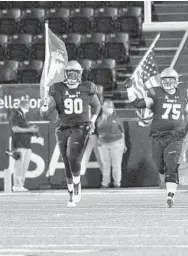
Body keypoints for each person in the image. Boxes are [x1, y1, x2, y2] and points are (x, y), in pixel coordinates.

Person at [126, 67, 188, 208]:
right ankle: (166, 183)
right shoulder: (155, 93)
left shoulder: (184, 94)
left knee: (172, 166)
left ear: (177, 80)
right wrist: (130, 89)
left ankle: (170, 195)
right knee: (159, 166)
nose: (168, 82)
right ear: (161, 81)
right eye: (165, 79)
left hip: (175, 135)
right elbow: (137, 104)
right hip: (157, 135)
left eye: (171, 79)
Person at [40, 60, 101, 207]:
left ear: (80, 74)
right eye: (69, 72)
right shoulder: (57, 88)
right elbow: (45, 114)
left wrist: (92, 120)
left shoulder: (87, 87)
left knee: (72, 156)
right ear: (65, 73)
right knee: (67, 162)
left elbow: (97, 104)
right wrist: (44, 107)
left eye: (75, 72)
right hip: (63, 128)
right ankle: (70, 193)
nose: (72, 75)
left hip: (81, 127)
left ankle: (77, 184)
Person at [8, 100, 39, 192]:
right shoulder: (15, 115)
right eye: (27, 108)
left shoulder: (22, 116)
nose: (28, 110)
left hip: (26, 145)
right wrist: (29, 129)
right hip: (18, 145)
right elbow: (15, 129)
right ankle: (17, 185)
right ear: (22, 106)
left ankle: (20, 184)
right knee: (18, 166)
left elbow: (23, 128)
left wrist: (32, 132)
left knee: (24, 166)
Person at [96, 99, 126, 188]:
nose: (109, 108)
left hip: (117, 143)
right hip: (103, 144)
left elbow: (122, 132)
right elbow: (98, 132)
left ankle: (117, 183)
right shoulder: (99, 119)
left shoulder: (117, 118)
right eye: (107, 107)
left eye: (110, 107)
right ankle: (105, 183)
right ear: (103, 107)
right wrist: (99, 141)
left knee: (116, 165)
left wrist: (124, 144)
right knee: (105, 165)